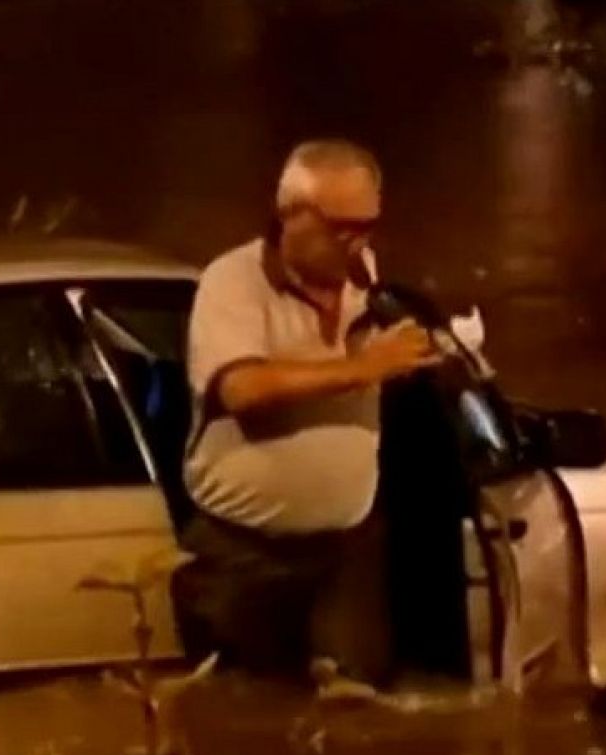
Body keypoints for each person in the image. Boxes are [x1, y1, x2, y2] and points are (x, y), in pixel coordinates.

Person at [170, 139, 440, 686]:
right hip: (244, 553)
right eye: (342, 228)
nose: (357, 243)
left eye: (369, 227)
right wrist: (362, 369)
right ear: (289, 216)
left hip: (347, 549)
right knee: (244, 720)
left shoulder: (367, 278)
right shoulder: (232, 281)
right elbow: (241, 388)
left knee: (356, 720)